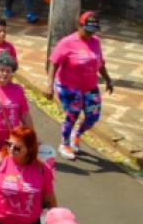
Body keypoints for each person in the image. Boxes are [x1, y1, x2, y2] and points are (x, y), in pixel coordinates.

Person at [47, 11, 113, 160]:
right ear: (80, 26)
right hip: (68, 85)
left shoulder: (95, 41)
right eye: (87, 30)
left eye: (93, 31)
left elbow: (100, 63)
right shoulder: (67, 42)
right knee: (73, 114)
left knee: (93, 116)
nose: (90, 34)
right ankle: (64, 144)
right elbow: (53, 63)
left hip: (89, 86)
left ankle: (76, 134)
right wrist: (49, 85)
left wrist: (108, 79)